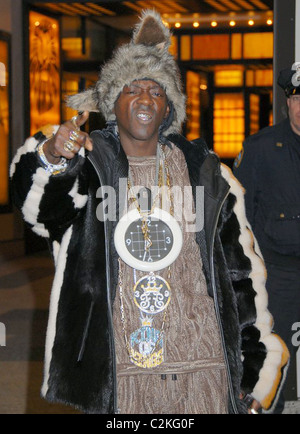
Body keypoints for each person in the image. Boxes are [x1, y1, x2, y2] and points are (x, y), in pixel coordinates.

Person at [10, 10, 289, 415]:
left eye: (158, 92)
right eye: (133, 89)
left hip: (205, 371)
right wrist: (53, 155)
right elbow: (37, 208)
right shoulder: (89, 166)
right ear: (112, 101)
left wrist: (254, 376)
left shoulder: (208, 175)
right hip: (121, 376)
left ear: (169, 109)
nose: (146, 99)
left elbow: (241, 276)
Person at [233, 66, 300, 413]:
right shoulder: (260, 149)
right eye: (297, 98)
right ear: (287, 102)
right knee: (272, 361)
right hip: (278, 277)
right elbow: (237, 212)